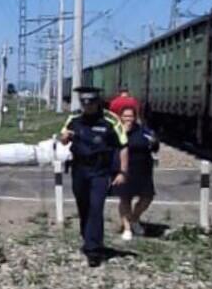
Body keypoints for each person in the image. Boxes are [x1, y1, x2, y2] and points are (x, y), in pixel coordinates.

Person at [59, 86, 128, 267]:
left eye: (91, 102)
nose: (87, 106)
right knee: (84, 207)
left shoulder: (110, 120)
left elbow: (123, 145)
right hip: (79, 169)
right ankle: (88, 239)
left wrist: (122, 171)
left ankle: (94, 250)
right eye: (84, 102)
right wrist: (65, 137)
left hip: (100, 171)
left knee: (96, 208)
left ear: (98, 102)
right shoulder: (74, 119)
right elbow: (63, 137)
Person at [113, 101, 159, 240]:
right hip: (124, 168)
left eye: (131, 116)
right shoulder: (117, 131)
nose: (128, 119)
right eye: (125, 116)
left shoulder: (142, 130)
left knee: (147, 197)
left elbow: (153, 144)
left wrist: (154, 141)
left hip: (143, 168)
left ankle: (134, 218)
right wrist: (125, 133)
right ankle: (127, 228)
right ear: (120, 117)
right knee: (125, 198)